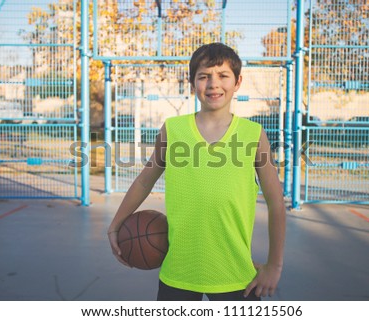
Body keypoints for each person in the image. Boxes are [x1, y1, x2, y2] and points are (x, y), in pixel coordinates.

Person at [107, 43, 286, 301]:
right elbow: (145, 181)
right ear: (192, 84)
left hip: (235, 272)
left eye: (223, 76)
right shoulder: (173, 129)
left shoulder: (253, 134)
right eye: (204, 76)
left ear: (238, 82)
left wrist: (274, 266)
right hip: (180, 269)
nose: (213, 84)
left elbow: (276, 202)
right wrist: (115, 225)